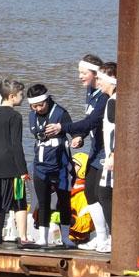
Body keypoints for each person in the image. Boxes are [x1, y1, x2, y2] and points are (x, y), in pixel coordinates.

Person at [44, 54, 109, 247]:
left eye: (83, 73)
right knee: (90, 192)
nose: (80, 76)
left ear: (96, 74)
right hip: (96, 148)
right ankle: (101, 236)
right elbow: (89, 123)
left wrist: (63, 128)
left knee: (101, 194)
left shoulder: (105, 95)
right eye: (79, 72)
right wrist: (81, 136)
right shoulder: (90, 91)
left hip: (107, 150)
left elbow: (93, 120)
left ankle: (108, 238)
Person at [26, 83, 75, 248]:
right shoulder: (32, 115)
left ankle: (66, 238)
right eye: (34, 106)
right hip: (40, 165)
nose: (38, 108)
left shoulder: (61, 113)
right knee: (43, 201)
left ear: (47, 99)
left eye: (41, 105)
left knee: (64, 201)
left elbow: (74, 132)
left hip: (61, 165)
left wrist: (77, 138)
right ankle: (43, 238)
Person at [0, 79, 29, 250]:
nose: (22, 98)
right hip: (12, 168)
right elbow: (16, 145)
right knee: (19, 201)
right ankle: (23, 238)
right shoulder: (15, 116)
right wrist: (23, 170)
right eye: (21, 95)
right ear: (11, 96)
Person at [79, 62, 117, 253]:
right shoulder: (108, 98)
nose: (99, 82)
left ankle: (113, 238)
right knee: (98, 193)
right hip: (105, 154)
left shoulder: (112, 101)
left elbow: (120, 131)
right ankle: (105, 237)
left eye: (101, 78)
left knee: (105, 194)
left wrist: (113, 153)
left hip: (109, 156)